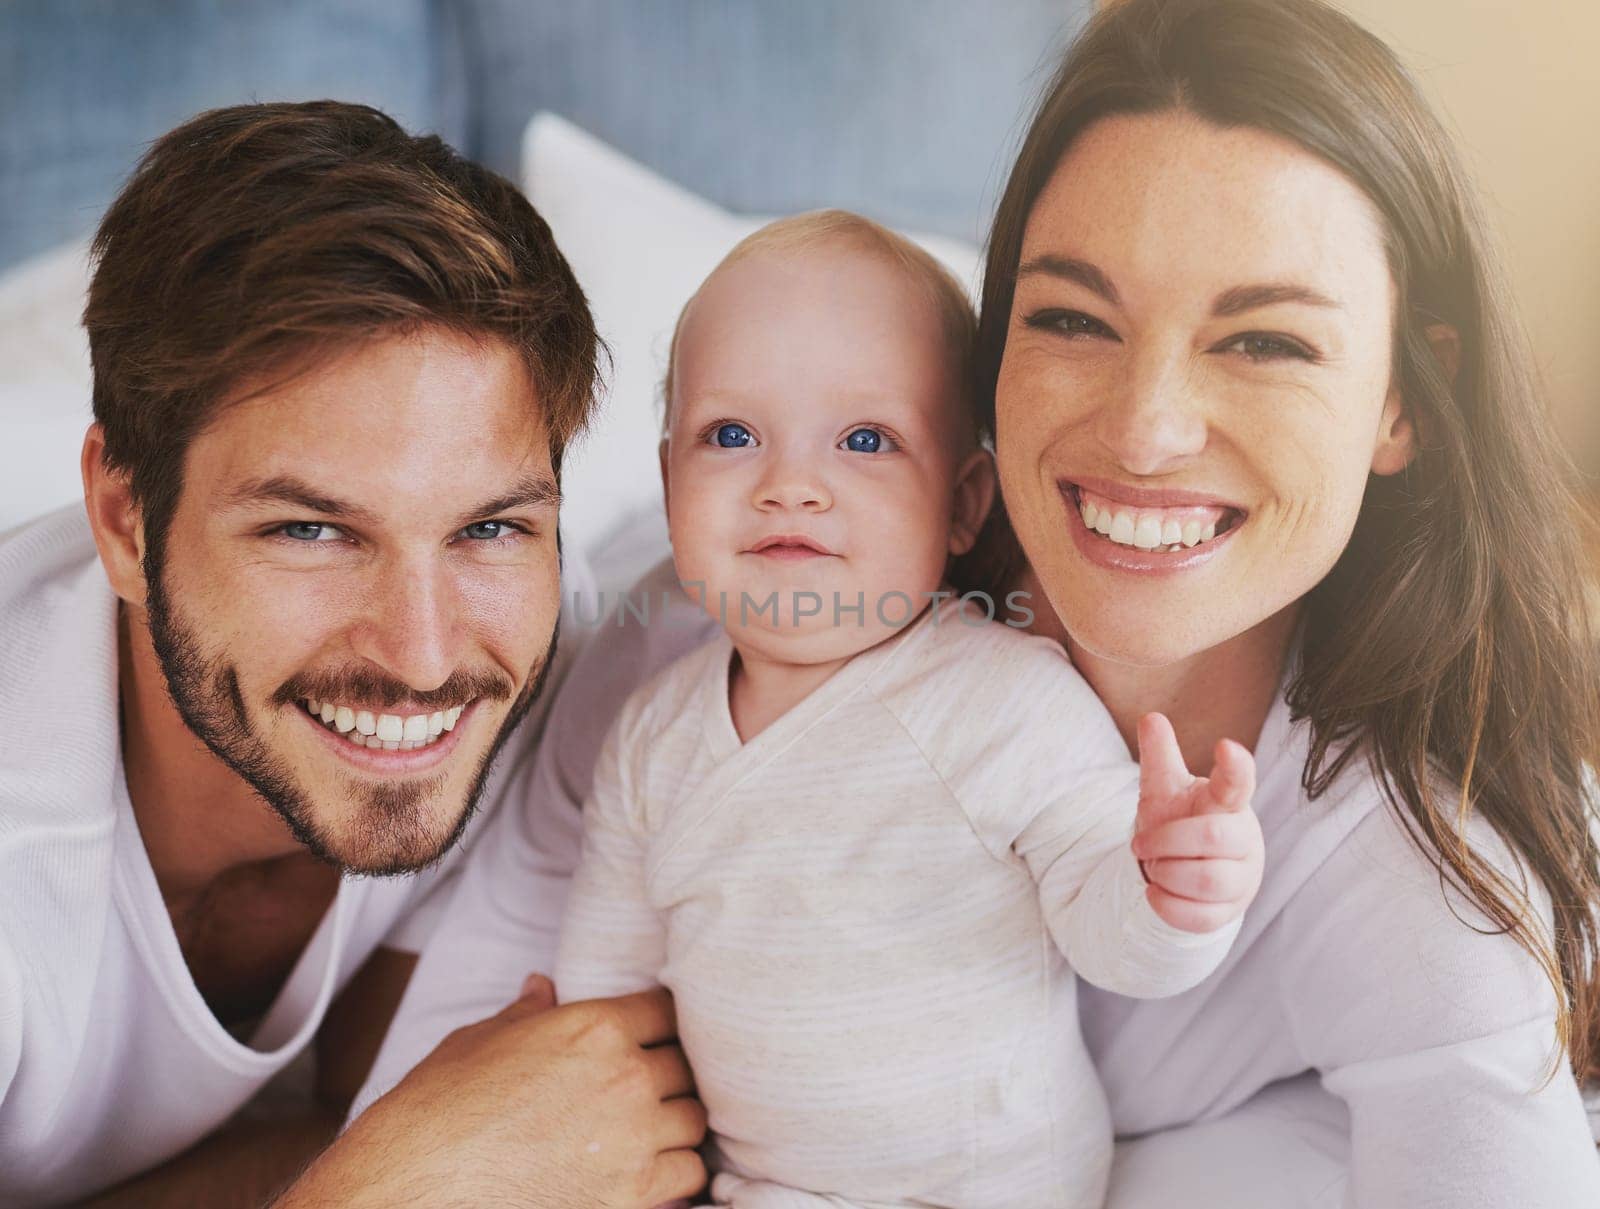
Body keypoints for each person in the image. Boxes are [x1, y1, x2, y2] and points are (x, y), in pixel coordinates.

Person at [314, 0, 1600, 1204]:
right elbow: (493, 1010)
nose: (1146, 431)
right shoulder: (706, 620)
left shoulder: (1428, 869)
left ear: (1400, 403)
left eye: (1264, 340)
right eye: (1072, 319)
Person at [0, 101, 705, 1208]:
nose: (424, 658)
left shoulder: (576, 638)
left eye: (487, 527)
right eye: (311, 531)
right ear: (125, 522)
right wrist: (389, 1185)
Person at [549, 210, 1265, 1208]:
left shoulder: (1003, 700)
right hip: (761, 1183)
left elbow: (1114, 944)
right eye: (731, 434)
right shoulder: (651, 738)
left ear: (965, 504)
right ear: (669, 480)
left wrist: (1175, 889)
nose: (790, 485)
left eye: (865, 439)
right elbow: (605, 988)